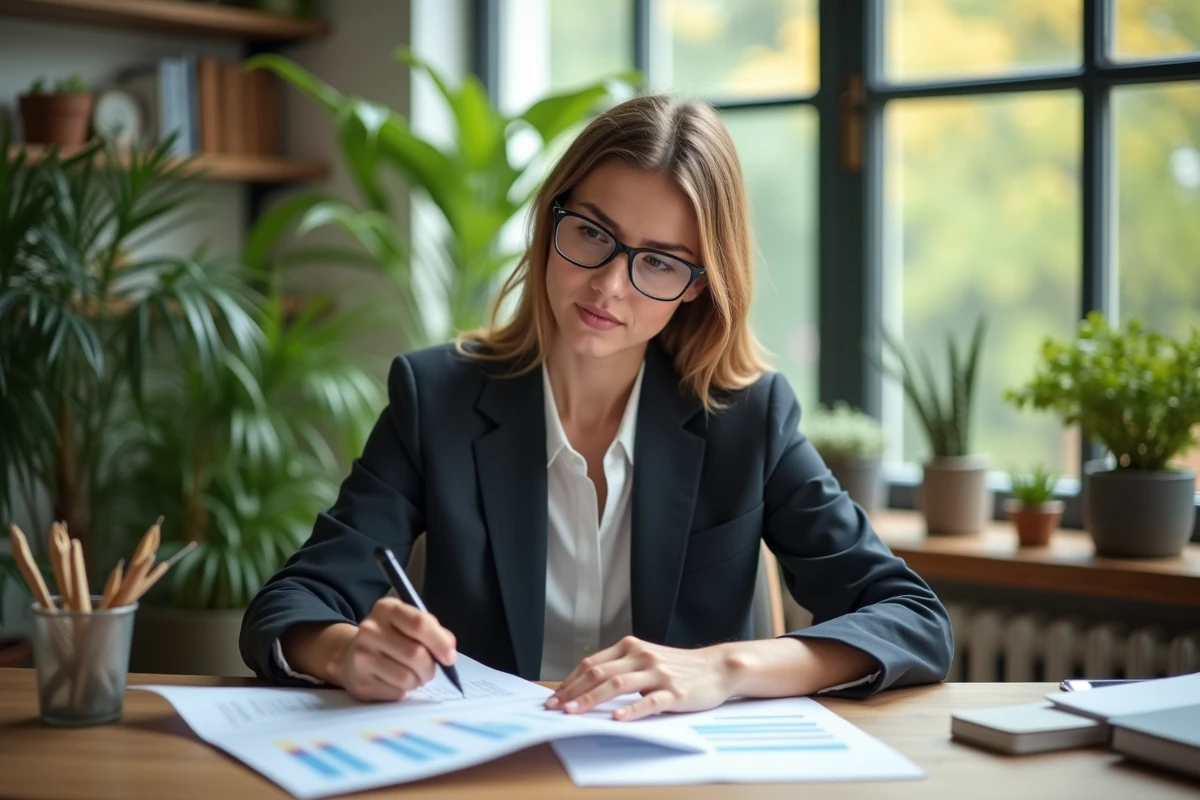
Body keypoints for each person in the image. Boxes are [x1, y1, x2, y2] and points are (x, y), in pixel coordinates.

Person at [240, 94, 953, 722]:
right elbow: (293, 603)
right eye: (592, 234)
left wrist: (727, 668)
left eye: (661, 261)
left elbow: (913, 619)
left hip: (675, 772)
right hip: (488, 766)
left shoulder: (748, 416)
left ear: (699, 285)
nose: (610, 286)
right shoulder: (438, 399)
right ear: (552, 221)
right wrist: (346, 653)